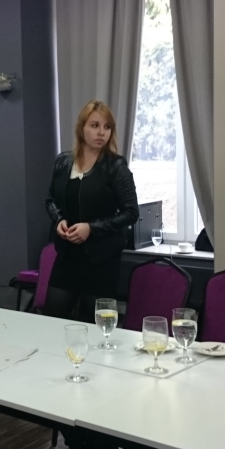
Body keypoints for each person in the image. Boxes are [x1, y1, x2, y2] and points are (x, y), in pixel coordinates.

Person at [44, 100, 139, 321]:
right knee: (52, 318)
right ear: (82, 128)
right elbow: (50, 200)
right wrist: (59, 219)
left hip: (101, 260)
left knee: (93, 325)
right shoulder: (63, 162)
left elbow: (131, 213)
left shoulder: (116, 167)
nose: (101, 132)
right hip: (67, 256)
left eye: (107, 127)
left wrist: (92, 228)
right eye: (95, 125)